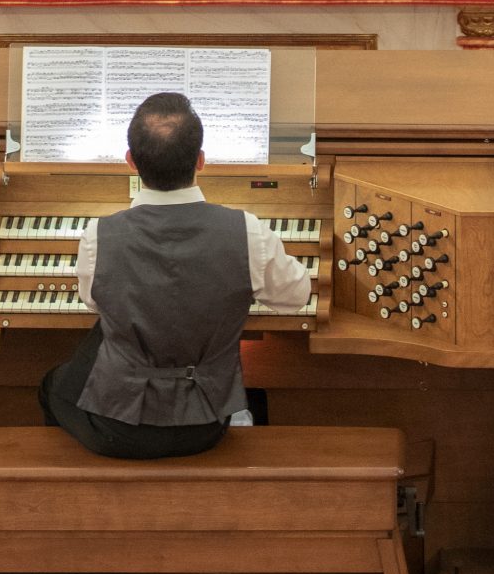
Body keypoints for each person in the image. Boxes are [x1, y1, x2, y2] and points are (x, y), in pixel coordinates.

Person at [38, 90, 314, 461]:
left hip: (116, 429)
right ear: (200, 160)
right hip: (207, 423)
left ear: (131, 162)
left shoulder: (98, 236)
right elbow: (296, 296)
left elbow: (96, 302)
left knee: (53, 383)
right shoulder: (248, 232)